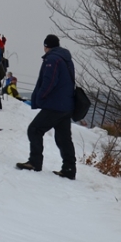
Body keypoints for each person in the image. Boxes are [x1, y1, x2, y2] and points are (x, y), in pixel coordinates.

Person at [17, 35, 76, 180]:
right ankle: (69, 169)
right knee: (64, 138)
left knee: (35, 129)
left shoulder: (52, 59)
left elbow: (49, 81)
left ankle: (35, 162)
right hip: (66, 105)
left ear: (46, 46)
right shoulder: (66, 58)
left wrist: (40, 97)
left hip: (55, 105)